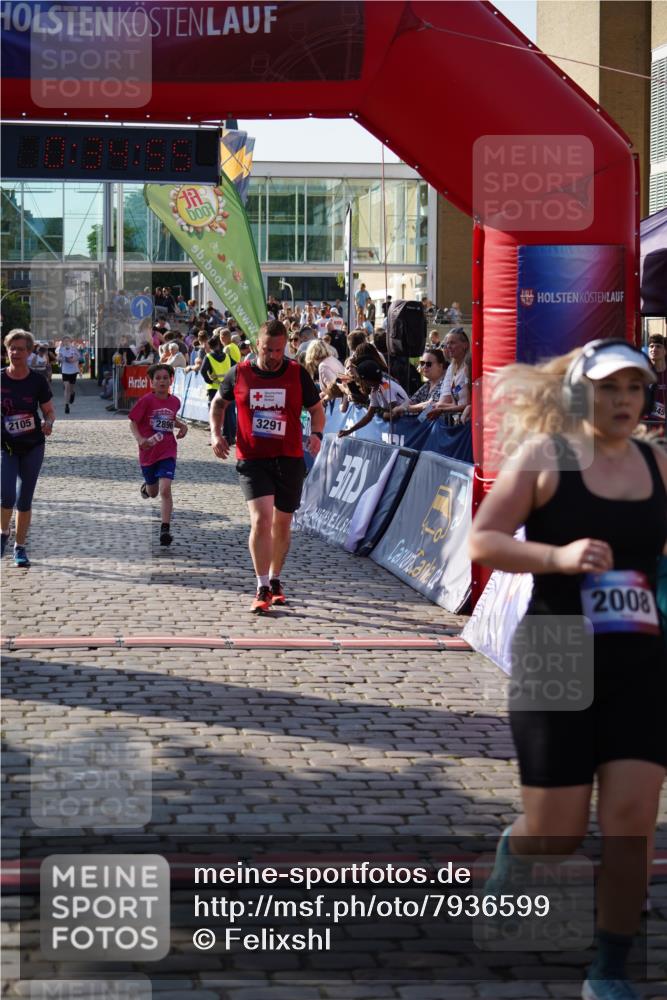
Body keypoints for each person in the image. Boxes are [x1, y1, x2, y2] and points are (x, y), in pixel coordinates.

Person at [468, 339, 666, 1000]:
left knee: (631, 820)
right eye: (610, 389)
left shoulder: (657, 464)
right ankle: (516, 853)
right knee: (555, 833)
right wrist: (557, 557)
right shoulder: (545, 459)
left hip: (638, 660)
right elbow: (483, 540)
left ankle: (609, 969)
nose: (622, 402)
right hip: (556, 651)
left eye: (634, 389)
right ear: (582, 392)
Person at [209, 319, 325, 613]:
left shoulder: (297, 374)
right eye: (267, 349)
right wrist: (216, 433)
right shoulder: (240, 373)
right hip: (252, 459)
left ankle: (275, 580)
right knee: (261, 520)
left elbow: (316, 409)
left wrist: (316, 433)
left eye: (278, 350)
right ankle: (261, 586)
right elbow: (219, 404)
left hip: (288, 458)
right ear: (256, 345)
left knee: (282, 525)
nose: (273, 356)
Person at [1, 329, 55, 567]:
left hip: (32, 445)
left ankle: (19, 547)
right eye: (11, 348)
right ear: (6, 350)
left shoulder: (37, 381)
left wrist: (49, 422)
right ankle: (3, 533)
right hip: (5, 445)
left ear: (29, 352)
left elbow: (49, 410)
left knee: (24, 499)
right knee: (6, 495)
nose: (15, 353)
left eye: (20, 349)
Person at [129, 363, 188, 547]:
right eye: (158, 378)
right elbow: (133, 421)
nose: (162, 381)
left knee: (165, 489)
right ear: (152, 382)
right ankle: (145, 488)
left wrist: (182, 426)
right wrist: (140, 439)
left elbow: (170, 419)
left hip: (168, 450)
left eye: (165, 378)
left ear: (171, 380)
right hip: (148, 452)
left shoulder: (175, 401)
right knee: (153, 492)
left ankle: (165, 528)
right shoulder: (146, 401)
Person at [337, 359, 409, 437]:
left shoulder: (386, 386)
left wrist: (384, 415)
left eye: (362, 380)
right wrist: (349, 431)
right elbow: (368, 416)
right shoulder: (375, 390)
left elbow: (394, 413)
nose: (361, 382)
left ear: (367, 380)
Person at [427, 327, 471, 423]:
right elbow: (455, 403)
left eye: (452, 343)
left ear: (465, 345)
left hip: (467, 425)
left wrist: (442, 409)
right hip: (457, 422)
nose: (448, 347)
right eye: (447, 344)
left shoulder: (468, 367)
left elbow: (469, 404)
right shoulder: (453, 367)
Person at [393, 348, 447, 416]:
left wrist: (405, 408)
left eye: (428, 364)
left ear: (440, 366)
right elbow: (413, 400)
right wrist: (399, 408)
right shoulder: (428, 383)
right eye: (422, 363)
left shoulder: (445, 383)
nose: (424, 366)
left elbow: (431, 404)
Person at [200, 334, 231, 405]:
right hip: (226, 388)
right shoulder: (227, 356)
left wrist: (209, 381)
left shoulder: (208, 357)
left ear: (210, 346)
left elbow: (203, 371)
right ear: (219, 345)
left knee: (214, 412)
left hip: (214, 388)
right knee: (226, 412)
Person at [646, 334, 666, 430]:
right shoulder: (643, 374)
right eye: (651, 346)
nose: (654, 349)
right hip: (647, 428)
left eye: (658, 346)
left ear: (665, 351)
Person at [57, 335, 81, 414]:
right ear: (63, 342)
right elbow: (58, 357)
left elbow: (78, 357)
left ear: (70, 342)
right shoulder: (61, 349)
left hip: (73, 371)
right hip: (65, 371)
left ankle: (72, 393)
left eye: (68, 341)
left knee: (71, 388)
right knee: (66, 387)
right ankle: (66, 405)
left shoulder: (74, 349)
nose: (66, 342)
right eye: (65, 341)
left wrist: (73, 359)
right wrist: (60, 358)